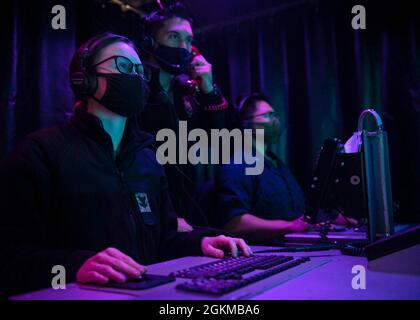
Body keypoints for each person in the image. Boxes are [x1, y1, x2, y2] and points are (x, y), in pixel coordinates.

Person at [0, 33, 252, 298]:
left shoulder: (147, 160)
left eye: (139, 70)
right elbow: (9, 256)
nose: (135, 76)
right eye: (123, 66)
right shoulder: (40, 152)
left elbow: (163, 240)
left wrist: (202, 242)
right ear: (84, 79)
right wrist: (74, 267)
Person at [215, 93, 356, 243]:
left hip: (295, 246)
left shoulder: (276, 164)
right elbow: (234, 223)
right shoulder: (237, 165)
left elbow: (297, 215)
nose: (276, 120)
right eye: (269, 115)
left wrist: (333, 219)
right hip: (267, 253)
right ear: (246, 124)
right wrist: (290, 226)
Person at [138, 2, 229, 232]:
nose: (184, 47)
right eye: (173, 37)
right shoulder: (134, 89)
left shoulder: (186, 92)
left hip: (185, 213)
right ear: (150, 41)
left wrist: (209, 90)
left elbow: (218, 144)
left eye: (188, 40)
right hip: (146, 216)